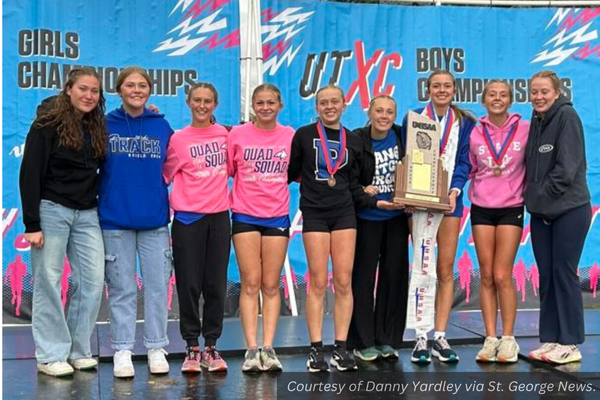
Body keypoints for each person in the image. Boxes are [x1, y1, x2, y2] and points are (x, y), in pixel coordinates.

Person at [288, 84, 386, 372]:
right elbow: (292, 173)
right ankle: (316, 350)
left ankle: (341, 349)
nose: (329, 106)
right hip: (316, 214)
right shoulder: (304, 135)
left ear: (345, 105)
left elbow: (355, 182)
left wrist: (367, 193)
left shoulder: (354, 140)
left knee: (344, 282)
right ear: (316, 108)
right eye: (323, 102)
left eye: (335, 101)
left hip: (345, 214)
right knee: (318, 282)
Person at [19, 67, 107, 377]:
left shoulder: (96, 127)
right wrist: (32, 224)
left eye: (94, 91)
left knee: (93, 281)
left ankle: (77, 350)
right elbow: (30, 174)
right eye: (83, 89)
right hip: (52, 211)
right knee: (48, 282)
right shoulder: (46, 126)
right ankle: (50, 355)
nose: (89, 96)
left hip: (86, 214)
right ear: (68, 89)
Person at [99, 67, 174, 378]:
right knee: (122, 289)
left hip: (154, 220)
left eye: (142, 85)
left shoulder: (162, 125)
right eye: (130, 85)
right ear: (119, 90)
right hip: (115, 219)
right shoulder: (105, 124)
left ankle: (157, 347)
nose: (137, 89)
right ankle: (123, 350)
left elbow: (174, 164)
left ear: (150, 90)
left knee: (157, 287)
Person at [402, 70, 476, 364]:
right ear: (428, 89)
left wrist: (456, 189)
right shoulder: (414, 118)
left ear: (454, 90)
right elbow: (407, 157)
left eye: (447, 86)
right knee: (422, 266)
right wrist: (409, 193)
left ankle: (440, 335)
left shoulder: (465, 123)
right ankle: (421, 335)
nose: (442, 90)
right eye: (436, 86)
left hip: (450, 202)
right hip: (420, 201)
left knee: (445, 269)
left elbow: (464, 161)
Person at [525, 71, 591, 365]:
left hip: (569, 210)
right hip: (542, 214)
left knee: (564, 273)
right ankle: (552, 338)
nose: (539, 97)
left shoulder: (567, 117)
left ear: (557, 92)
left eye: (544, 92)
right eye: (534, 92)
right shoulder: (537, 120)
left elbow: (567, 168)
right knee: (548, 275)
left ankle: (571, 343)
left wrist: (539, 196)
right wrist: (535, 201)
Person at [163, 82, 230, 373]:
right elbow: (164, 175)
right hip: (188, 219)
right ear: (188, 102)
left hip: (218, 218)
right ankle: (191, 346)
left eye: (208, 101)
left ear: (215, 105)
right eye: (197, 100)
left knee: (215, 284)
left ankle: (212, 346)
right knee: (189, 285)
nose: (202, 106)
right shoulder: (177, 139)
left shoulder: (228, 136)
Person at [228, 84, 295, 372]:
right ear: (252, 106)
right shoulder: (237, 134)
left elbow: (295, 172)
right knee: (250, 282)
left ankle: (269, 348)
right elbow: (228, 170)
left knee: (270, 284)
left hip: (277, 216)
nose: (265, 107)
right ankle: (251, 350)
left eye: (271, 102)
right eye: (260, 102)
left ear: (280, 105)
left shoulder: (290, 135)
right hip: (244, 215)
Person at [468, 80, 529, 363]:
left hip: (511, 207)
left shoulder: (526, 128)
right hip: (481, 207)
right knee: (487, 274)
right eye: (492, 94)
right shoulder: (475, 132)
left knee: (503, 274)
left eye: (503, 95)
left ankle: (508, 339)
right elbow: (467, 167)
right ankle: (490, 339)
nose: (497, 98)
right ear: (484, 100)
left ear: (510, 100)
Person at [347, 95, 409, 362]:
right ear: (369, 112)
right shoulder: (357, 138)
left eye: (390, 111)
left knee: (393, 279)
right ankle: (363, 341)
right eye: (379, 110)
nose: (384, 116)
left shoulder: (403, 136)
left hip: (396, 219)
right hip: (367, 217)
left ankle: (386, 338)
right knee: (362, 281)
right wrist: (367, 195)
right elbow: (348, 181)